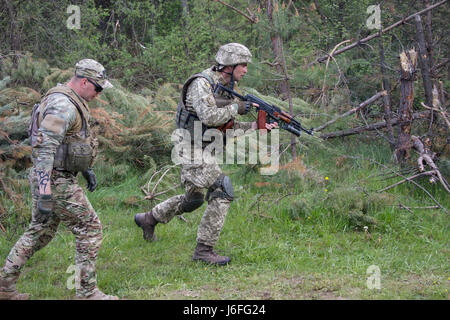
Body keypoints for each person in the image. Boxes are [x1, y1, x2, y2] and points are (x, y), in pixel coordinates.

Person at [134, 43, 277, 266]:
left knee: (193, 201)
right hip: (189, 148)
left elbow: (226, 126)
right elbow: (210, 116)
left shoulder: (224, 87)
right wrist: (237, 108)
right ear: (229, 65)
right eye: (243, 65)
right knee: (222, 188)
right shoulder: (202, 84)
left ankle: (148, 218)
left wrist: (255, 127)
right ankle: (204, 250)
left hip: (202, 148)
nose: (246, 70)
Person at [0, 59, 118, 300]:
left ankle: (5, 286)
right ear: (84, 81)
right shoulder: (63, 105)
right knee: (89, 228)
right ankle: (86, 293)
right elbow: (44, 149)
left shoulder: (71, 99)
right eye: (98, 88)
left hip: (56, 176)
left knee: (40, 231)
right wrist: (44, 191)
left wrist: (85, 168)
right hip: (55, 179)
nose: (99, 93)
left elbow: (70, 142)